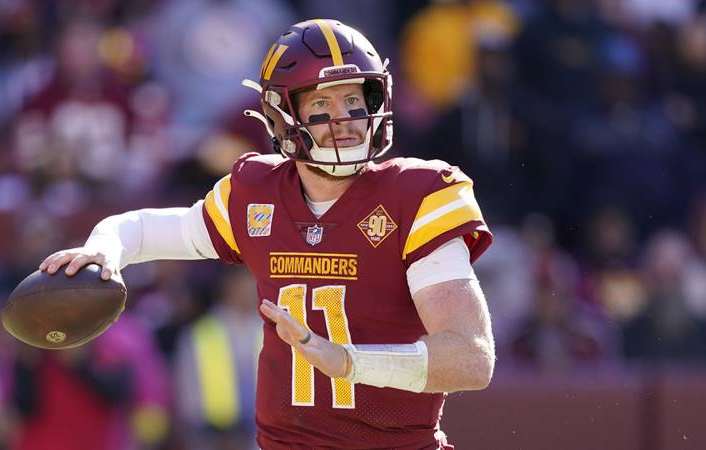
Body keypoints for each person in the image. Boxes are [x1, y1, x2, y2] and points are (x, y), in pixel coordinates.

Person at [40, 19, 495, 449]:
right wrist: (102, 250)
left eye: (354, 100)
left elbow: (471, 359)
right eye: (321, 104)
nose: (345, 118)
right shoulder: (257, 193)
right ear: (282, 115)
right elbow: (140, 230)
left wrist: (349, 361)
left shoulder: (416, 195)